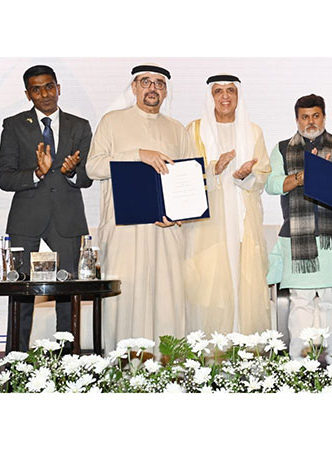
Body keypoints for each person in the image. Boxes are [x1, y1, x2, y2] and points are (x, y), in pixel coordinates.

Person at [86, 64, 191, 354]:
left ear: (166, 91)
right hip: (124, 231)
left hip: (165, 233)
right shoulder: (111, 121)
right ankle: (121, 364)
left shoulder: (177, 129)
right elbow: (93, 167)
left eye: (159, 83)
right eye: (146, 82)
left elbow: (187, 181)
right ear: (134, 87)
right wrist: (138, 156)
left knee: (166, 298)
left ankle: (166, 367)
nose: (152, 88)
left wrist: (179, 215)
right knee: (126, 298)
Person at [0, 64, 93, 352]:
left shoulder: (80, 125)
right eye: (36, 89)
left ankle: (67, 366)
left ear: (59, 88)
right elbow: (4, 177)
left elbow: (88, 177)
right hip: (25, 219)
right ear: (28, 95)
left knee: (68, 296)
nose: (44, 94)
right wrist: (36, 174)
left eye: (49, 86)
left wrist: (71, 172)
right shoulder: (13, 124)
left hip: (68, 217)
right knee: (21, 296)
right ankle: (14, 366)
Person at [266, 94, 332, 363]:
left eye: (316, 116)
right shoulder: (282, 148)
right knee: (301, 302)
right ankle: (299, 363)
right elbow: (272, 185)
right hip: (298, 237)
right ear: (297, 119)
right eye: (304, 117)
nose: (310, 122)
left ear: (324, 116)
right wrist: (299, 178)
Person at [183, 74, 271, 335]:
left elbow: (263, 173)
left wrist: (246, 176)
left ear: (237, 96)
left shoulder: (253, 130)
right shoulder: (194, 130)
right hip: (206, 225)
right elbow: (185, 175)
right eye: (219, 91)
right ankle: (209, 356)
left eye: (230, 91)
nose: (225, 96)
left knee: (245, 285)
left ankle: (242, 353)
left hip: (244, 221)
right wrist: (214, 168)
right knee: (208, 286)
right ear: (211, 97)